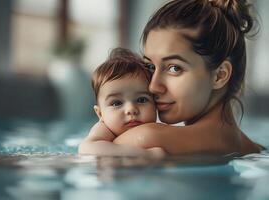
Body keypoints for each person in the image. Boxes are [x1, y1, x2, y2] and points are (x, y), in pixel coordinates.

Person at [113, 0, 264, 155]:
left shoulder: (147, 139)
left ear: (220, 75)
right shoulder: (255, 150)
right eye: (151, 67)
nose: (153, 86)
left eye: (175, 68)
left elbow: (90, 154)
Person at [78, 48, 165, 157]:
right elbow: (86, 148)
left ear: (155, 105)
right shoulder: (104, 130)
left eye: (141, 100)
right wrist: (145, 154)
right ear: (100, 114)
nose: (131, 109)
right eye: (116, 103)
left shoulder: (158, 129)